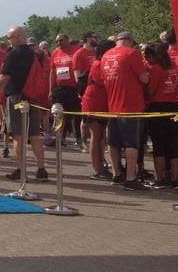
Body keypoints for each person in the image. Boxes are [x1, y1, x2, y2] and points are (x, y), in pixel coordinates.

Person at [0, 26, 47, 182]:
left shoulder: (12, 54)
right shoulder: (34, 54)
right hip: (33, 98)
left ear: (18, 37)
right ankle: (41, 169)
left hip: (16, 98)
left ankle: (21, 170)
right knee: (34, 135)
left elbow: (4, 77)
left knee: (17, 136)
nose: (9, 41)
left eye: (10, 38)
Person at [100, 31, 150, 190]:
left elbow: (104, 79)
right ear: (129, 41)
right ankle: (131, 178)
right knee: (131, 143)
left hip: (112, 105)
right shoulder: (132, 53)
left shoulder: (106, 55)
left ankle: (116, 174)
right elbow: (144, 79)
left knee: (113, 143)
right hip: (130, 106)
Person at [144, 41, 178, 189]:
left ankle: (159, 178)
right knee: (172, 144)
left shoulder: (156, 69)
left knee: (158, 145)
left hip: (157, 107)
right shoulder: (173, 65)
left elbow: (151, 90)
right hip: (173, 107)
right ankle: (174, 179)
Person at [81, 39, 115, 179]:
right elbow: (103, 81)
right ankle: (97, 169)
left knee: (100, 136)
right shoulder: (97, 64)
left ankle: (101, 165)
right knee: (96, 135)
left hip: (102, 103)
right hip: (93, 103)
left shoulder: (103, 63)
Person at [50, 33, 82, 146]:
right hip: (60, 88)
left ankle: (79, 137)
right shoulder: (55, 52)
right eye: (57, 41)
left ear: (67, 40)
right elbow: (52, 72)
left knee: (77, 113)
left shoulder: (77, 50)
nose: (59, 43)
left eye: (61, 40)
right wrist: (50, 89)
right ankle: (61, 137)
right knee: (60, 113)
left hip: (74, 88)